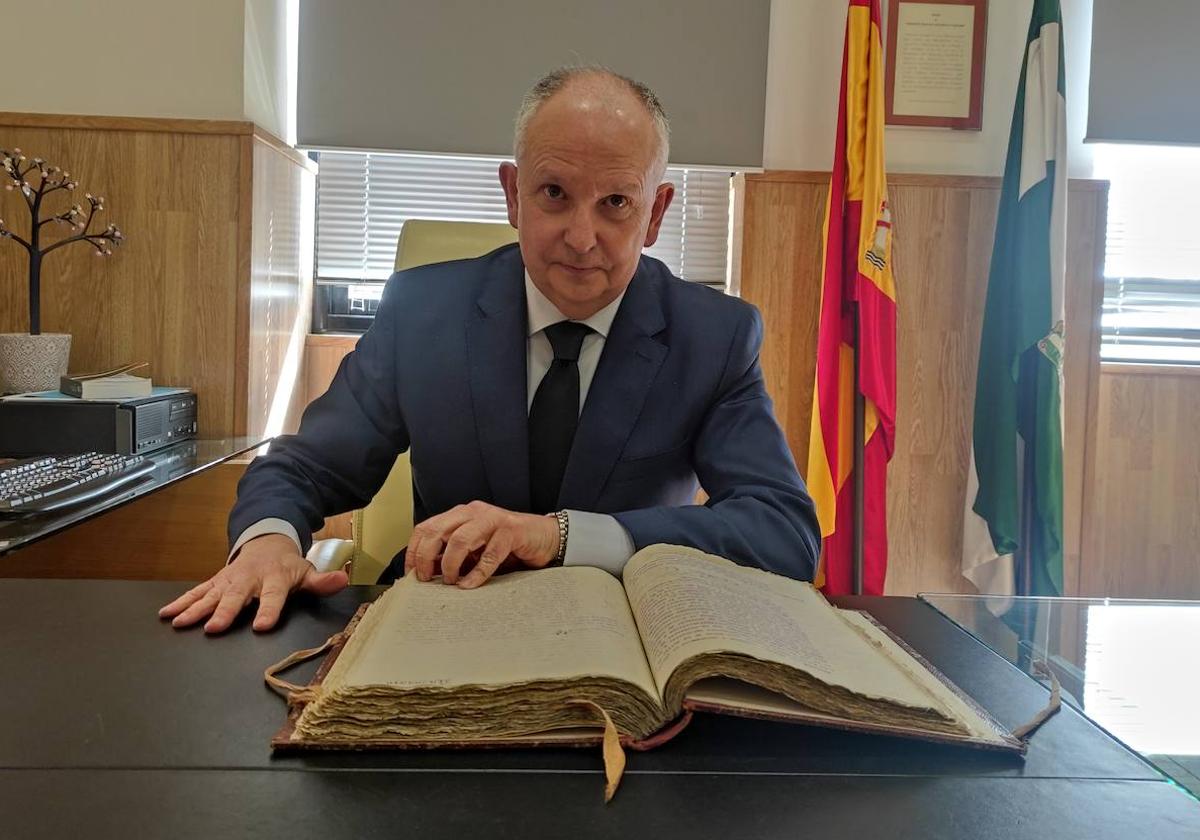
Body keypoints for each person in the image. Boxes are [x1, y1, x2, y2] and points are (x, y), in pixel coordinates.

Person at [160, 67, 820, 635]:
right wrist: (269, 542)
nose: (582, 237)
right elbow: (301, 470)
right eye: (555, 194)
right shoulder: (422, 312)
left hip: (624, 639)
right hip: (443, 621)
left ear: (655, 213)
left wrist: (561, 537)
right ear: (513, 193)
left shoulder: (715, 336)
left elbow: (782, 530)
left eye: (616, 202)